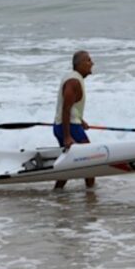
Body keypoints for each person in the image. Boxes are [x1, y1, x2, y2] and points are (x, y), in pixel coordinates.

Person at [53, 50, 94, 189]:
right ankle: (91, 194)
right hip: (69, 128)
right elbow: (65, 108)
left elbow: (71, 108)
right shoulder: (73, 82)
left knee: (69, 163)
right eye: (88, 60)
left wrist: (80, 120)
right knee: (91, 160)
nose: (92, 63)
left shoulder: (75, 78)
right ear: (80, 64)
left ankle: (57, 192)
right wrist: (67, 136)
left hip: (66, 125)